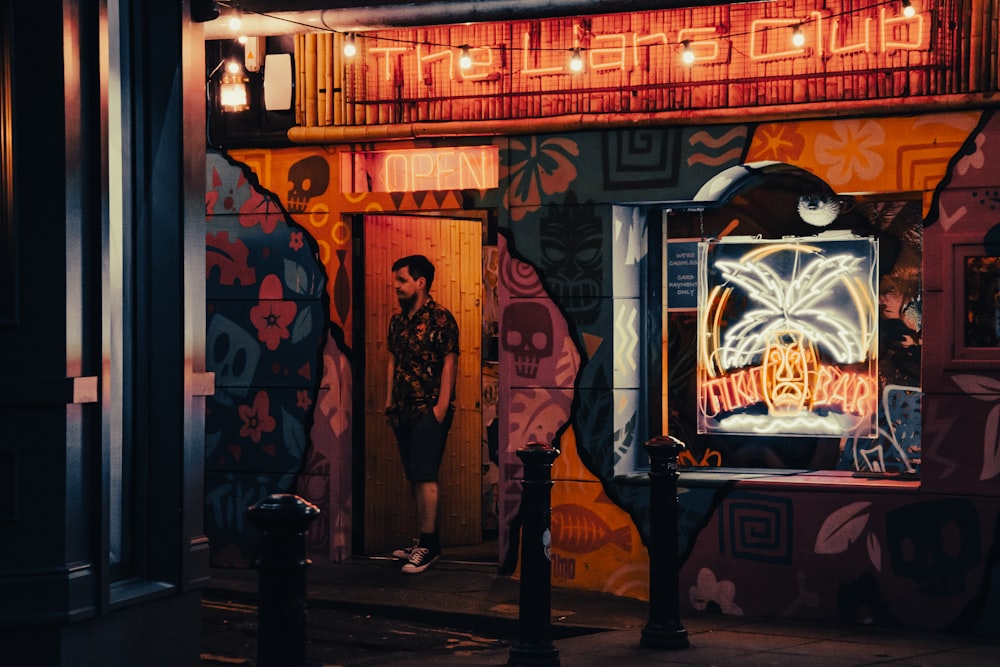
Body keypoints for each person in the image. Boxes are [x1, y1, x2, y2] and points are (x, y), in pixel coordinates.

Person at [385, 254, 459, 574]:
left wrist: (440, 409)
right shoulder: (398, 321)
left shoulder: (441, 318)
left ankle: (428, 547)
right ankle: (425, 540)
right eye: (396, 280)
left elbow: (449, 362)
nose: (396, 286)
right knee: (416, 475)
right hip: (402, 409)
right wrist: (388, 401)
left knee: (426, 475)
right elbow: (393, 360)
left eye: (401, 280)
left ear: (421, 282)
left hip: (428, 409)